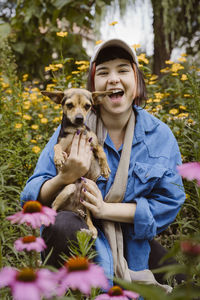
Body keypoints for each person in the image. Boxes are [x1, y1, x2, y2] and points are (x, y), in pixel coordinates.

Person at [21, 39, 185, 289]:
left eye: (122, 70)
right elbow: (31, 195)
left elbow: (169, 203)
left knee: (182, 279)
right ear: (93, 89)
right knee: (61, 224)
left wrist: (105, 210)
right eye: (103, 72)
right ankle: (68, 288)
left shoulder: (160, 136)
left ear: (137, 80)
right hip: (79, 228)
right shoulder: (71, 131)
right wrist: (65, 177)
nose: (113, 79)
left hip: (131, 240)